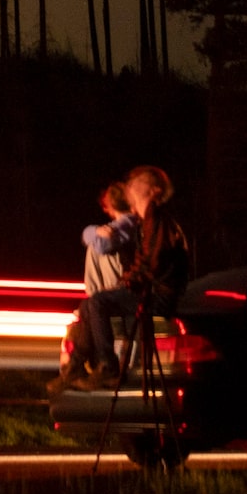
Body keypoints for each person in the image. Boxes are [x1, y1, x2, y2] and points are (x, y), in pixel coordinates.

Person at [71, 165, 187, 389]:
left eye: (137, 184)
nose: (131, 187)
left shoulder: (158, 221)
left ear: (154, 191)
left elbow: (154, 261)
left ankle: (107, 367)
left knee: (97, 302)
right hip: (151, 291)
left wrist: (129, 281)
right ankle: (74, 368)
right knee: (89, 305)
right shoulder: (147, 222)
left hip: (158, 296)